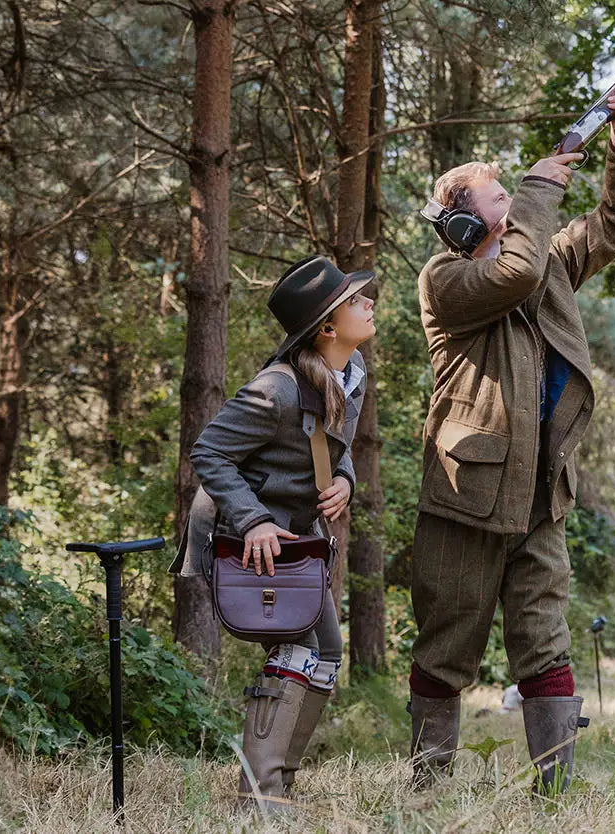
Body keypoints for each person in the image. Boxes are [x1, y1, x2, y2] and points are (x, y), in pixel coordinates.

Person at [409, 79, 615, 795]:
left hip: (542, 495)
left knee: (546, 647)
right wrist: (543, 186)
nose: (516, 207)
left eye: (517, 198)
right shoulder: (446, 278)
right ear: (460, 225)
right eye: (501, 200)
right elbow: (512, 273)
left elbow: (614, 227)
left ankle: (554, 800)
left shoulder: (539, 264)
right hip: (468, 496)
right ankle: (424, 794)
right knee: (446, 649)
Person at [172, 254, 376, 809]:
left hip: (295, 539)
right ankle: (258, 797)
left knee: (328, 652)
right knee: (297, 645)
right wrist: (254, 518)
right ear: (327, 327)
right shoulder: (277, 389)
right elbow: (208, 452)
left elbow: (341, 448)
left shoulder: (348, 375)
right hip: (248, 537)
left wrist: (344, 481)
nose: (370, 303)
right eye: (357, 301)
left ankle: (278, 783)